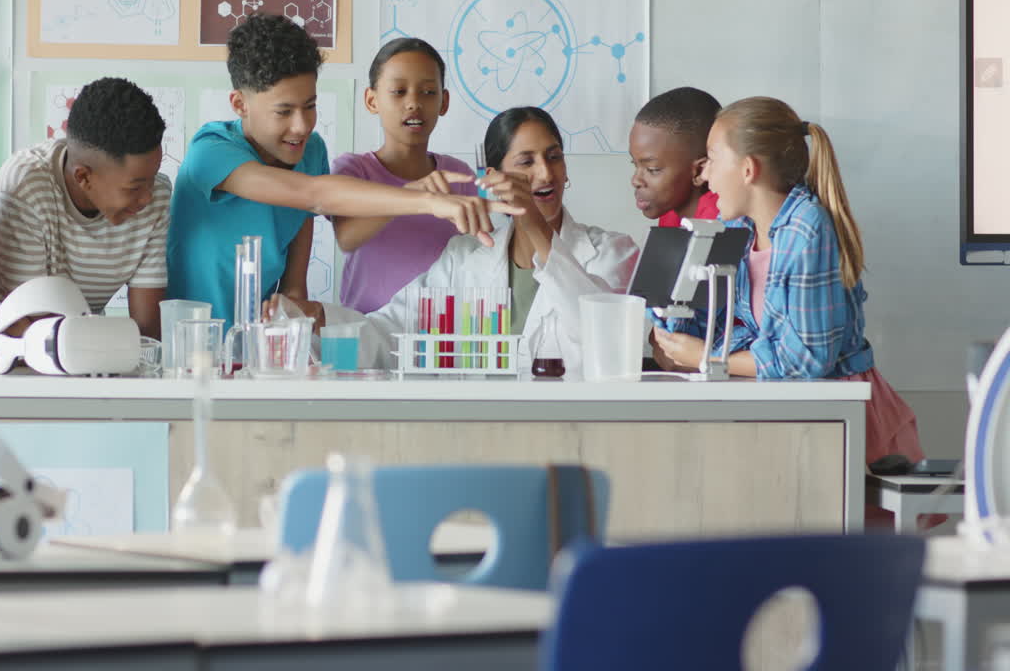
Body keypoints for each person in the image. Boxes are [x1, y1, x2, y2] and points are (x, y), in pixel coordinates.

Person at [167, 14, 520, 327]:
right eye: (284, 111)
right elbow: (315, 195)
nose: (302, 126)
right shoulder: (210, 152)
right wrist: (426, 199)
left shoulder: (311, 152)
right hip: (193, 341)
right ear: (240, 104)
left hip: (262, 347)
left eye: (310, 105)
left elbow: (294, 288)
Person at [651, 96, 927, 467]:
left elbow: (806, 359)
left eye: (713, 158)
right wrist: (671, 305)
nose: (705, 175)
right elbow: (714, 328)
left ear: (748, 170)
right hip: (790, 409)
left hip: (842, 420)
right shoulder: (738, 231)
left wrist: (707, 358)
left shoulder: (806, 229)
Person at [280, 107, 639, 374]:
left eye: (554, 157)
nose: (545, 173)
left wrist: (536, 226)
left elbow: (607, 343)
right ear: (493, 178)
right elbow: (388, 336)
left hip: (573, 432)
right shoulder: (464, 258)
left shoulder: (610, 253)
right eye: (526, 162)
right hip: (479, 432)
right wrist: (317, 318)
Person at [0, 77, 169, 338]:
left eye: (153, 178)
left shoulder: (157, 198)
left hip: (81, 347)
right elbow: (35, 328)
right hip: (13, 352)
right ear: (83, 177)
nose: (146, 198)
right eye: (134, 187)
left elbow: (147, 335)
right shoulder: (25, 188)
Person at [330, 37, 480, 313]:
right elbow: (347, 237)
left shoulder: (459, 176)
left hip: (440, 340)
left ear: (444, 102)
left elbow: (479, 258)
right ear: (371, 100)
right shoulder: (353, 171)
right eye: (399, 91)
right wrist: (413, 196)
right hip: (367, 336)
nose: (413, 103)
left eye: (428, 92)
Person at [629, 86, 721, 226]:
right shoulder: (671, 213)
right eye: (635, 164)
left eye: (652, 169)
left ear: (700, 172)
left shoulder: (719, 223)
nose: (635, 181)